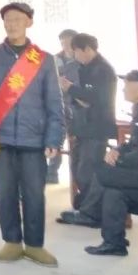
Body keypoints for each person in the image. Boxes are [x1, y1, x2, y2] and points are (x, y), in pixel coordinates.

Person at [0, 2, 65, 267]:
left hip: (33, 139)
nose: (12, 23)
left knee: (35, 194)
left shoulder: (44, 59)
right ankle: (12, 242)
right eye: (8, 19)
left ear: (29, 23)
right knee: (5, 192)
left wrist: (53, 138)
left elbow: (54, 101)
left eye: (17, 19)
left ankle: (35, 245)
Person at [57, 70, 138, 257]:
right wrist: (118, 150)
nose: (123, 90)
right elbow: (134, 143)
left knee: (103, 172)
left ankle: (89, 214)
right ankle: (114, 243)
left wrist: (121, 160)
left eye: (127, 85)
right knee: (114, 192)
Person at [68, 33, 117, 210]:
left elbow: (96, 99)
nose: (75, 56)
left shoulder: (102, 70)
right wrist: (78, 95)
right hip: (83, 126)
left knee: (87, 169)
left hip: (97, 127)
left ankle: (93, 209)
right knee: (78, 168)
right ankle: (86, 206)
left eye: (76, 51)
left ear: (87, 49)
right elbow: (82, 100)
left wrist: (70, 88)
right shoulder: (85, 68)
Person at [49, 29, 80, 184]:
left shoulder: (81, 58)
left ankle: (76, 176)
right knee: (56, 137)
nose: (65, 45)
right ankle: (52, 172)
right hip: (59, 103)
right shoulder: (55, 59)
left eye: (68, 42)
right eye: (62, 42)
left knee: (76, 142)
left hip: (77, 104)